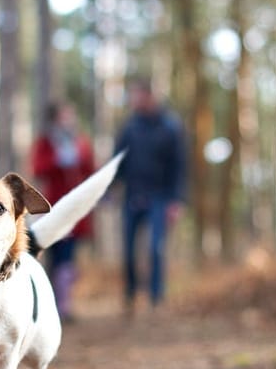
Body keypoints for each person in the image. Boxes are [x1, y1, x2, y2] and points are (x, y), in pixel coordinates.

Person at [112, 77, 186, 318]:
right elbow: (117, 162)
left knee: (155, 249)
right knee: (128, 251)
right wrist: (110, 189)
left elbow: (179, 166)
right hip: (132, 196)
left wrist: (176, 200)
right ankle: (131, 295)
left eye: (137, 96)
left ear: (149, 96)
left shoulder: (170, 126)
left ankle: (156, 298)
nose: (133, 101)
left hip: (160, 197)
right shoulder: (129, 128)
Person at [30, 102, 96, 322]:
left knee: (68, 256)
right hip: (52, 207)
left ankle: (64, 305)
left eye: (71, 115)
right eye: (65, 115)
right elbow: (38, 169)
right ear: (55, 119)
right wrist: (57, 160)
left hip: (74, 208)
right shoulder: (46, 142)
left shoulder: (80, 141)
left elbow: (90, 169)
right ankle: (48, 304)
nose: (70, 119)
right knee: (52, 256)